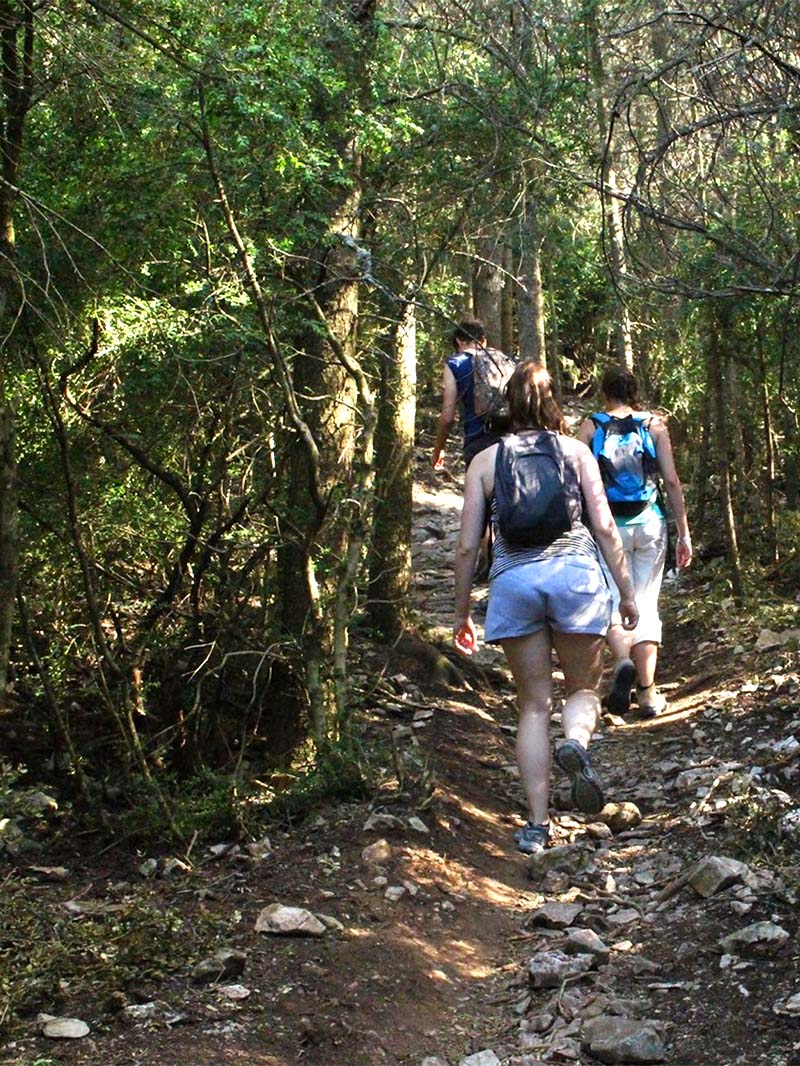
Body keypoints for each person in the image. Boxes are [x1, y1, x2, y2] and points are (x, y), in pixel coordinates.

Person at [453, 361, 638, 854]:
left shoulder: (485, 463)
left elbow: (468, 548)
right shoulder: (577, 452)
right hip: (575, 578)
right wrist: (626, 592)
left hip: (515, 583)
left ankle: (536, 824)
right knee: (582, 689)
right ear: (553, 399)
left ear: (507, 402)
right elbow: (604, 528)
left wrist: (461, 613)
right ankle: (575, 740)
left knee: (533, 705)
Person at [577, 366, 692, 719]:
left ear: (604, 392)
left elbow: (576, 480)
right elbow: (671, 481)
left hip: (607, 524)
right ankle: (646, 693)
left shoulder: (590, 426)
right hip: (649, 523)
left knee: (614, 600)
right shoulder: (653, 425)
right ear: (634, 391)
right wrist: (684, 531)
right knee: (645, 602)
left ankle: (623, 661)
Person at [431, 317, 505, 472]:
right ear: (483, 340)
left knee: (477, 493)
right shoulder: (504, 360)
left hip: (477, 440)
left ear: (459, 341)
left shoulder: (455, 364)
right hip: (512, 441)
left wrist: (438, 450)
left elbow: (447, 417)